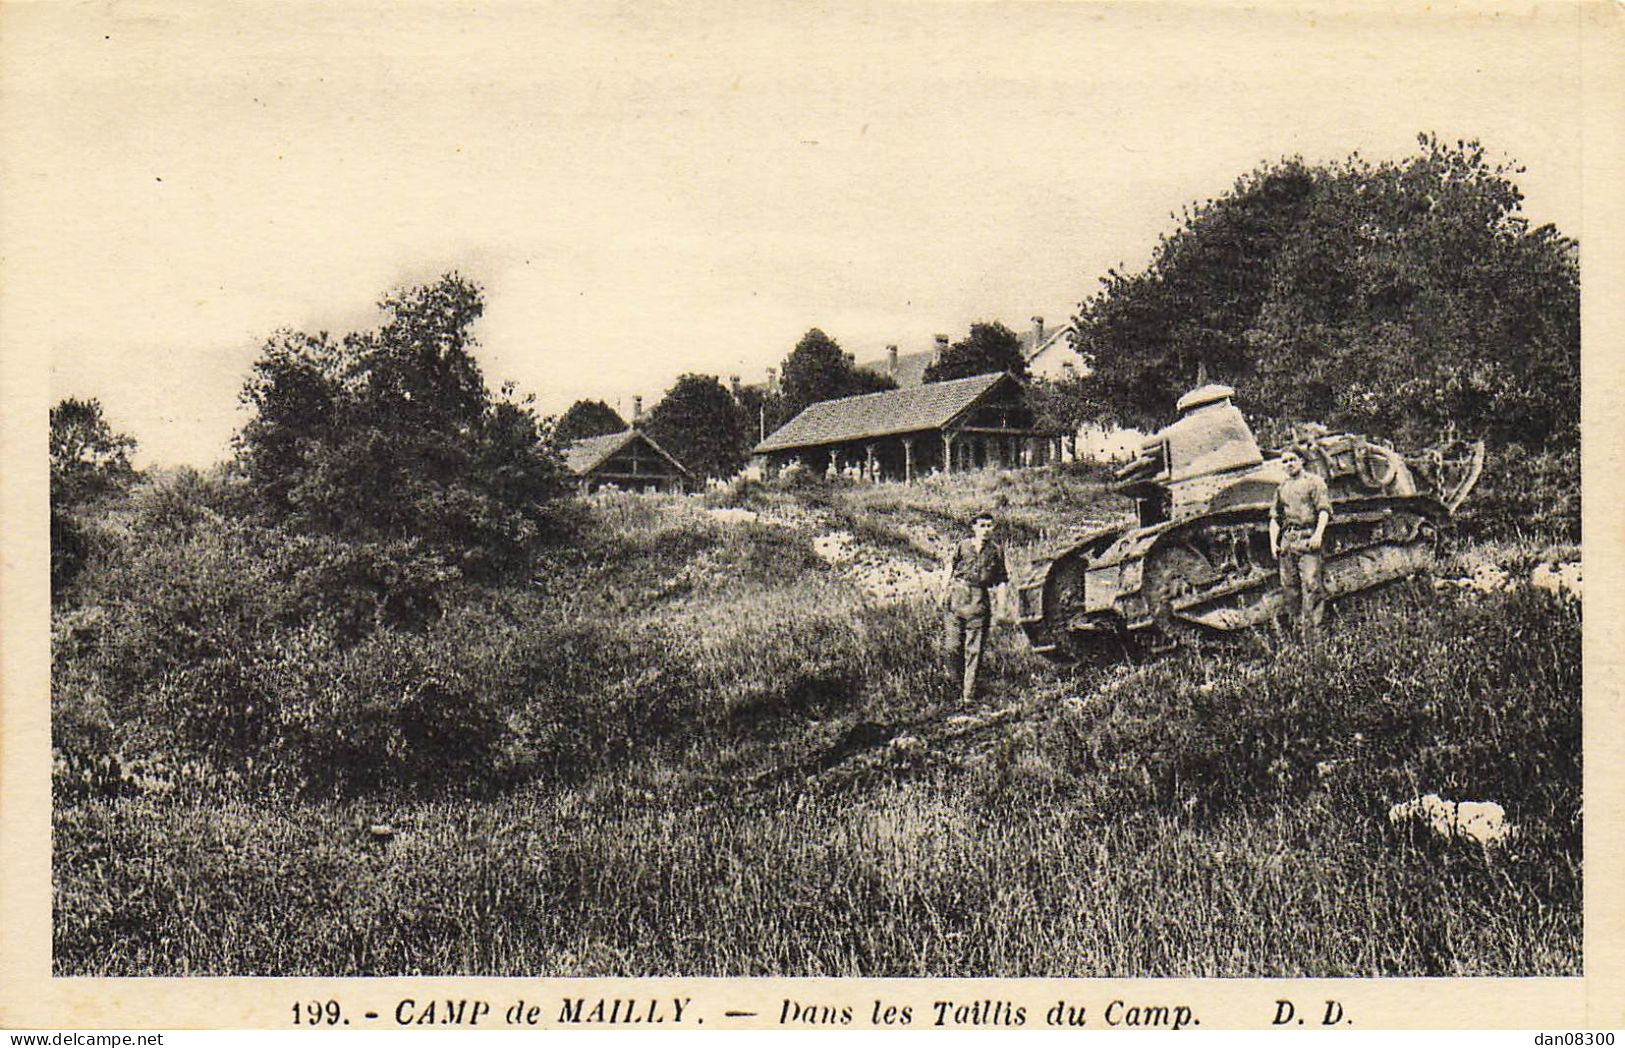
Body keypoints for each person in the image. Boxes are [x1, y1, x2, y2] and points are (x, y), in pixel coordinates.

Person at [941, 510, 1008, 703]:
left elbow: (1002, 580)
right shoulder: (963, 546)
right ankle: (955, 685)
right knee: (952, 647)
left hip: (979, 603)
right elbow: (949, 567)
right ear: (974, 527)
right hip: (956, 599)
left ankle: (968, 696)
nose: (986, 530)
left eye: (989, 526)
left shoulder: (996, 551)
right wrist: (943, 590)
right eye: (982, 526)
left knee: (974, 650)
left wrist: (1002, 608)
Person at [1269, 448, 1332, 637]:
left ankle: (1316, 636)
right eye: (1285, 461)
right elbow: (1274, 518)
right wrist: (1274, 542)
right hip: (1288, 541)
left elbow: (1323, 510)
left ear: (1301, 461)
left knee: (1312, 586)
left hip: (1307, 537)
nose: (1289, 464)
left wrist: (1318, 534)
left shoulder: (1314, 482)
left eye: (1292, 459)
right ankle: (1298, 632)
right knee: (1290, 589)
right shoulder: (1281, 488)